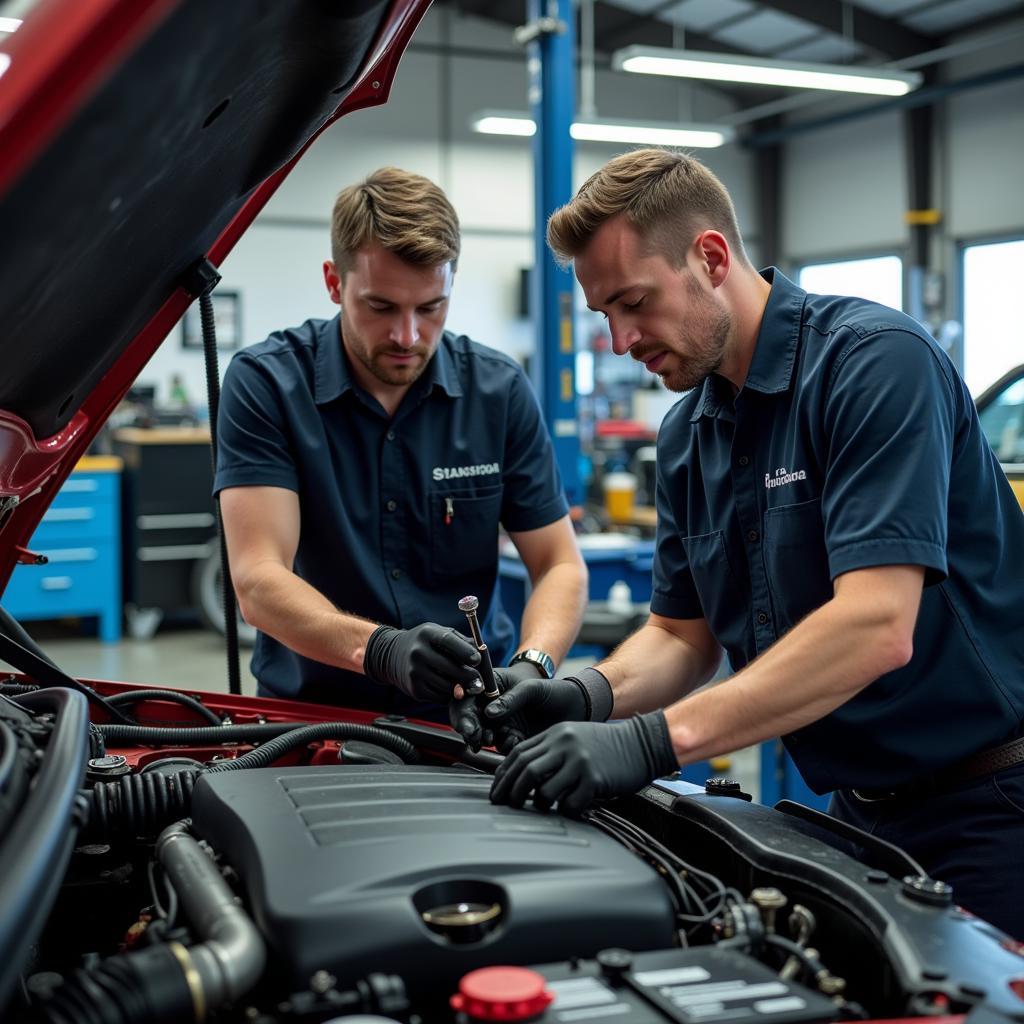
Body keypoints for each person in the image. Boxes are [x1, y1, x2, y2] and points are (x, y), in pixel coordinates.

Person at [466, 148, 1024, 937]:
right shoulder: (690, 433)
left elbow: (876, 624)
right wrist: (587, 696)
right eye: (604, 316)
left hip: (994, 807)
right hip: (860, 812)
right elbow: (678, 635)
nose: (621, 339)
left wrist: (651, 741)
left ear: (711, 256)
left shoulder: (874, 367)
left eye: (634, 302)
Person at [214, 167, 587, 722]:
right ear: (333, 283)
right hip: (315, 719)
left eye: (431, 308)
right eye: (382, 307)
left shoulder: (499, 391)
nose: (407, 337)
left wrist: (531, 667)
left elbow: (560, 563)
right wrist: (380, 650)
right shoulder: (266, 384)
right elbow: (259, 580)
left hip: (470, 719)